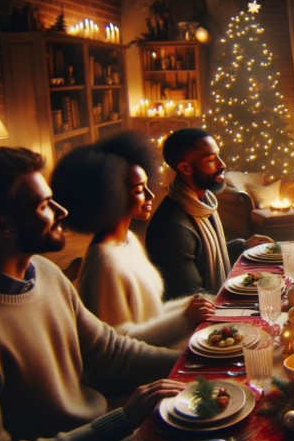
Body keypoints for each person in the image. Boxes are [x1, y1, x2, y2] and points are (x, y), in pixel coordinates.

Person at [0, 147, 185, 441]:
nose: (61, 211)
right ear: (1, 226)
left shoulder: (45, 272)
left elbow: (111, 349)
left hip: (109, 433)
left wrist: (196, 362)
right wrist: (121, 421)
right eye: (43, 205)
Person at [50, 131, 216, 348]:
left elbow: (150, 315)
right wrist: (184, 318)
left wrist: (194, 305)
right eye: (139, 190)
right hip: (143, 371)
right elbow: (117, 345)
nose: (150, 195)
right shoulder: (104, 264)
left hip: (166, 348)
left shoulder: (128, 240)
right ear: (110, 196)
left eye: (147, 185)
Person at [146, 128, 272, 300]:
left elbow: (203, 260)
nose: (222, 164)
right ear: (185, 168)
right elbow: (194, 297)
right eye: (211, 159)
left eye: (218, 155)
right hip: (194, 321)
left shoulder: (203, 201)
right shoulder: (173, 228)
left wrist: (243, 246)